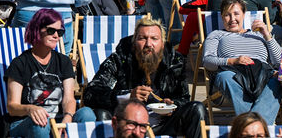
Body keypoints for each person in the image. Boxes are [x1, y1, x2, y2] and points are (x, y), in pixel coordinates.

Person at [78, 16, 207, 138]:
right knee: (101, 114)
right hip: (128, 124)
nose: (148, 44)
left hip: (162, 123)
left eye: (154, 38)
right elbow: (91, 93)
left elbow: (184, 98)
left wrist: (173, 105)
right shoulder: (120, 59)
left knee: (197, 109)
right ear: (134, 42)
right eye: (142, 38)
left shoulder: (174, 61)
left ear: (162, 44)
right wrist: (128, 96)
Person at [202, 0, 282, 122]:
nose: (232, 19)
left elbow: (279, 62)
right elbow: (207, 61)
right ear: (222, 17)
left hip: (262, 73)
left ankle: (247, 125)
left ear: (244, 14)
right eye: (227, 15)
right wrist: (232, 61)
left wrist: (267, 35)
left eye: (236, 14)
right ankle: (257, 126)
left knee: (280, 78)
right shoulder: (217, 35)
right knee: (224, 77)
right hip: (233, 72)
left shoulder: (258, 34)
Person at [4, 8, 77, 137]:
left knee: (86, 113)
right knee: (41, 124)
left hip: (58, 119)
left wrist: (68, 117)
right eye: (50, 31)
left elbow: (69, 99)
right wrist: (30, 109)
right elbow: (12, 107)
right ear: (37, 30)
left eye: (60, 32)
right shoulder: (20, 63)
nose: (56, 36)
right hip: (25, 122)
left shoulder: (64, 61)